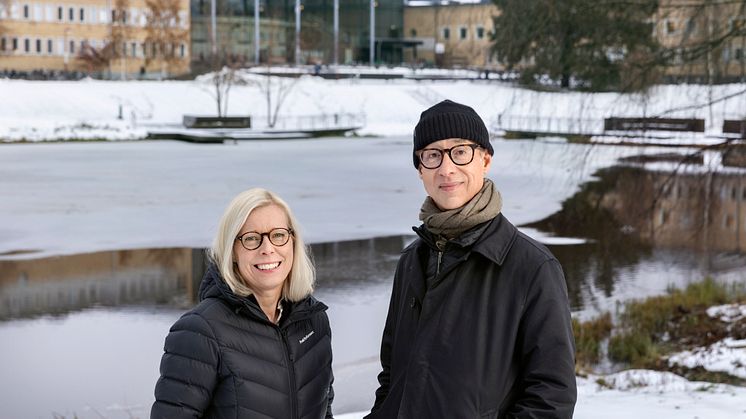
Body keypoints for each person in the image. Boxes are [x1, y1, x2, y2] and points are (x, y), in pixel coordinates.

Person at [366, 100, 577, 418]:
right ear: (420, 169)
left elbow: (551, 398)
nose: (446, 168)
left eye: (460, 151)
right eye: (433, 155)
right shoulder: (411, 261)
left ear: (485, 159)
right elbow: (393, 377)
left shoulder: (532, 267)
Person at [151, 188, 334, 419]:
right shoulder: (201, 331)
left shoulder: (313, 321)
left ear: (293, 242)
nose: (267, 249)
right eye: (251, 239)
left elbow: (324, 411)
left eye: (278, 235)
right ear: (233, 251)